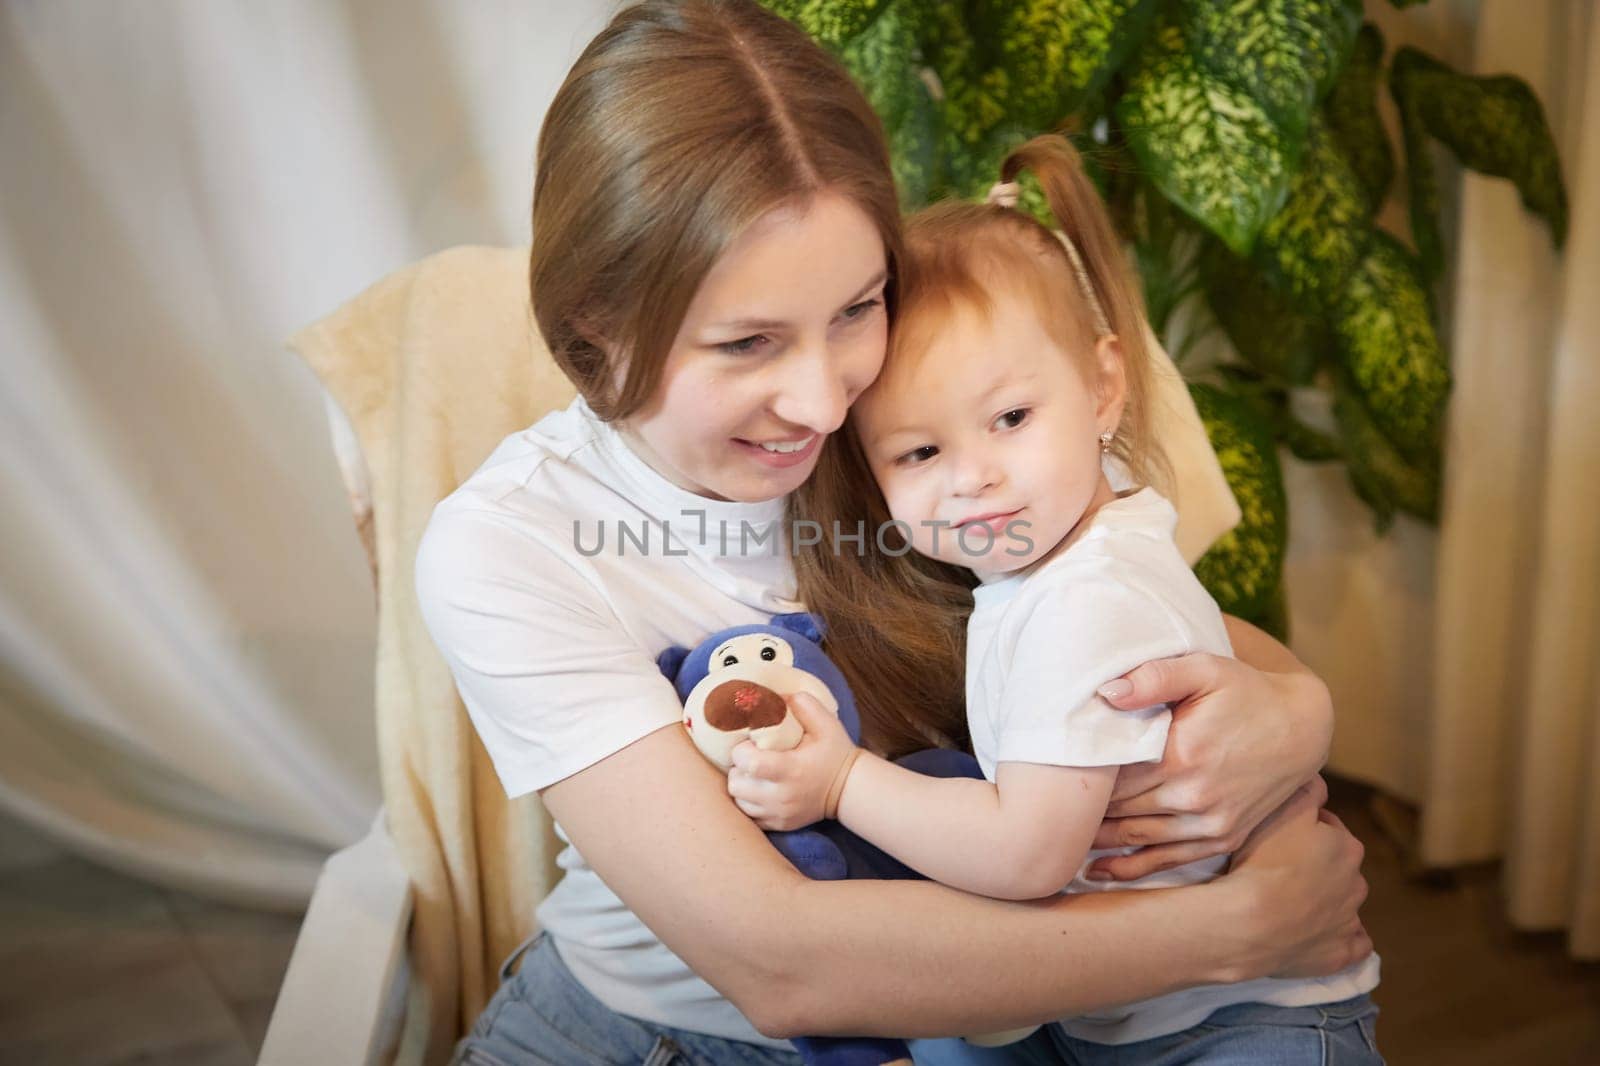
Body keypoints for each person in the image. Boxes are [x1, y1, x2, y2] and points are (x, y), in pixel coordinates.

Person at [413, 3, 1371, 1064]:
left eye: (856, 307)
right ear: (596, 318)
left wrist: (1295, 709)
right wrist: (1229, 932)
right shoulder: (511, 544)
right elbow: (783, 965)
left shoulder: (919, 422)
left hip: (994, 1017)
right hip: (646, 1039)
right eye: (747, 342)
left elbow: (1140, 612)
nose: (822, 403)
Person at [734, 134, 1382, 1064]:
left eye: (1010, 419)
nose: (975, 479)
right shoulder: (1064, 557)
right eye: (920, 452)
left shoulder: (1087, 602)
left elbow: (1025, 855)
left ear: (1103, 386)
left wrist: (841, 782)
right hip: (1142, 1006)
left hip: (1239, 1025)